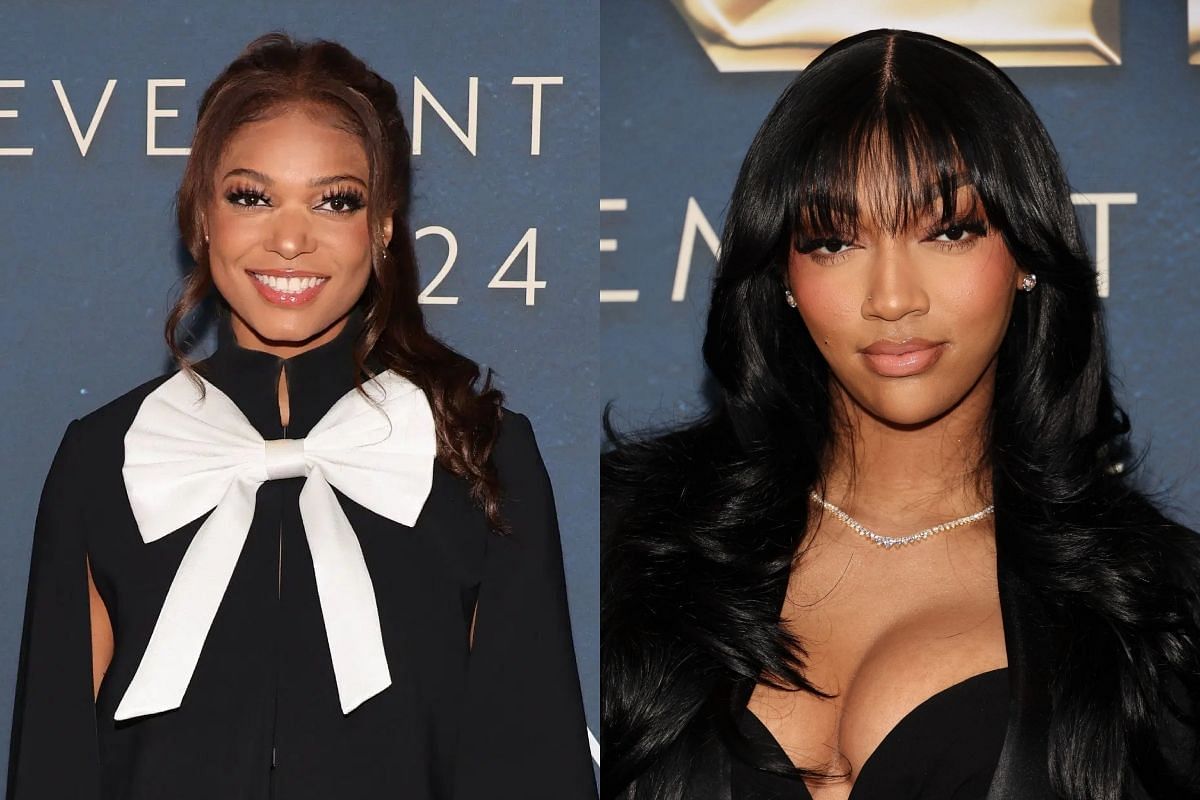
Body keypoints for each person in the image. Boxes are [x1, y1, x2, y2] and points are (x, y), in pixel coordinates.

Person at [601, 29, 1200, 800]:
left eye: (947, 231)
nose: (892, 299)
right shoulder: (629, 538)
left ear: (1024, 253)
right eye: (833, 241)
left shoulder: (1156, 607)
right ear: (782, 271)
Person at [7, 32, 596, 800]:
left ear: (381, 226)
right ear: (201, 218)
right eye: (251, 197)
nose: (289, 239)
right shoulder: (104, 456)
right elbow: (52, 762)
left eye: (335, 200)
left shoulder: (479, 451)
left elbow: (532, 763)